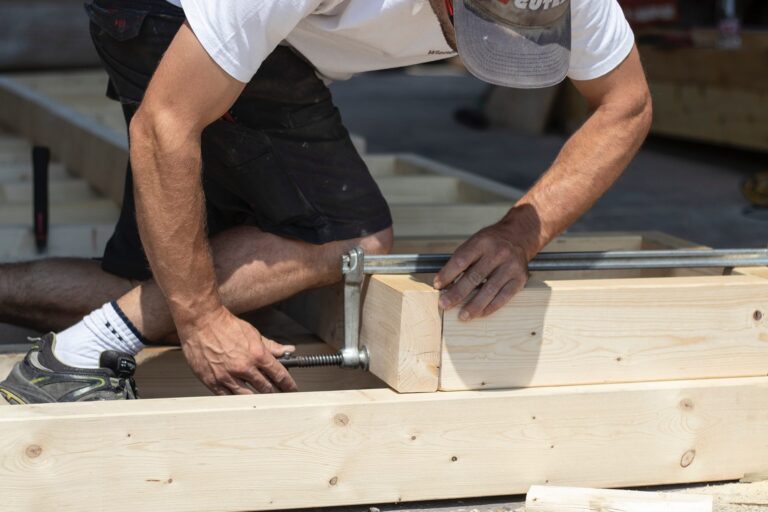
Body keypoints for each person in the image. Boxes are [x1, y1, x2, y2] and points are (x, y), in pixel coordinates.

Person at [0, 0, 652, 403]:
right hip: (167, 13)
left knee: (154, 283)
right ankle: (74, 359)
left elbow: (627, 103)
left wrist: (520, 234)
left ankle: (94, 335)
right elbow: (163, 125)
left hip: (261, 38)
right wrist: (200, 321)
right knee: (347, 237)